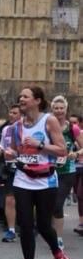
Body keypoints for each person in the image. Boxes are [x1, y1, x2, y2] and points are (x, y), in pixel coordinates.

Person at [2, 85, 69, 259]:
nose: (21, 99)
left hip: (46, 180)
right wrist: (11, 154)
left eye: (26, 96)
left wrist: (39, 145)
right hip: (23, 179)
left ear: (37, 100)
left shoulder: (49, 121)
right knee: (26, 224)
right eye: (20, 96)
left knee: (43, 225)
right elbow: (15, 150)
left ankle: (57, 252)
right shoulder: (17, 127)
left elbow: (62, 150)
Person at [50, 96, 82, 249]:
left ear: (66, 110)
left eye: (61, 108)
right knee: (47, 205)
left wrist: (76, 154)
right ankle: (49, 231)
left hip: (67, 171)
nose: (59, 111)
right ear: (52, 110)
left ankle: (59, 238)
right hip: (48, 170)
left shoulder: (73, 128)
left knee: (57, 205)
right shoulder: (47, 126)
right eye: (56, 108)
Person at [0, 104, 21, 242]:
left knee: (25, 200)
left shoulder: (25, 129)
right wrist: (0, 150)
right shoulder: (6, 129)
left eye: (15, 113)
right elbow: (2, 144)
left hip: (24, 168)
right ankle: (11, 230)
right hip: (10, 168)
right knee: (9, 199)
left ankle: (28, 225)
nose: (11, 115)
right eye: (10, 112)